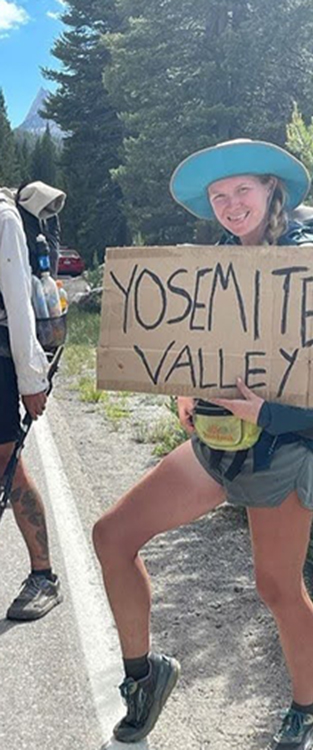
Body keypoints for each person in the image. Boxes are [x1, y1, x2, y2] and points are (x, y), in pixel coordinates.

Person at [93, 139, 313, 749]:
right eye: (220, 197)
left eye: (242, 191)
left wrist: (270, 408)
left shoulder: (311, 261)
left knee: (277, 586)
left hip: (284, 451)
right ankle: (143, 679)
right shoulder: (215, 262)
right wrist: (184, 388)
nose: (230, 205)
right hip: (217, 443)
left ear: (271, 190)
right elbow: (203, 347)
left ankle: (307, 713)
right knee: (112, 536)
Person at [0, 185, 64, 620]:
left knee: (7, 461)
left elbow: (20, 306)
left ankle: (44, 576)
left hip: (1, 357)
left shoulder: (3, 218)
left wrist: (31, 380)